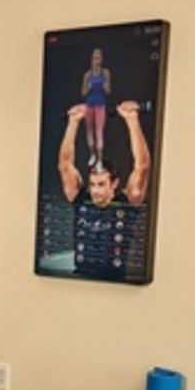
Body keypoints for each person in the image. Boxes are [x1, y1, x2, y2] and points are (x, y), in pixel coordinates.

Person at [58, 99, 150, 280]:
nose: (95, 191)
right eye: (92, 184)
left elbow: (142, 166)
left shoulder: (127, 202)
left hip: (114, 284)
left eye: (101, 184)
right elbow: (65, 165)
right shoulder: (80, 197)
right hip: (80, 280)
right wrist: (73, 122)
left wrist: (132, 121)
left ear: (114, 184)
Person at [80, 47, 111, 169]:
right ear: (91, 59)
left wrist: (104, 85)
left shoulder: (106, 73)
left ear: (101, 59)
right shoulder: (87, 75)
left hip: (100, 105)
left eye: (98, 57)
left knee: (99, 133)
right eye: (94, 57)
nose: (96, 60)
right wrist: (88, 87)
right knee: (89, 131)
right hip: (89, 105)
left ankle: (99, 160)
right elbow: (83, 93)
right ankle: (92, 154)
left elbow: (108, 91)